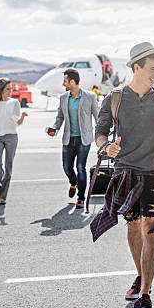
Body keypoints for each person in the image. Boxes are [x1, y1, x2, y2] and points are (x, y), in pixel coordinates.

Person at [90, 42, 154, 308]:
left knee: (150, 230)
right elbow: (101, 131)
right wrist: (106, 147)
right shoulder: (115, 97)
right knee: (133, 228)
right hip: (125, 173)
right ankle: (140, 276)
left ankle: (145, 294)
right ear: (136, 67)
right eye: (152, 68)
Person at [49, 69, 99, 209]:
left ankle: (81, 198)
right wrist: (55, 129)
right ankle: (73, 183)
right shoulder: (64, 98)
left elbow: (98, 116)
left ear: (72, 81)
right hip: (68, 139)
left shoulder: (90, 97)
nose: (63, 83)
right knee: (67, 167)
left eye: (65, 80)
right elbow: (60, 117)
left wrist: (103, 135)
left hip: (84, 139)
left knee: (80, 167)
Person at [0, 78, 28, 205]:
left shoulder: (14, 103)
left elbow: (17, 123)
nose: (11, 91)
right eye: (8, 89)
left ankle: (4, 195)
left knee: (8, 168)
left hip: (11, 137)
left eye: (11, 89)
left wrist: (23, 117)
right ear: (1, 89)